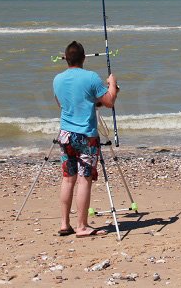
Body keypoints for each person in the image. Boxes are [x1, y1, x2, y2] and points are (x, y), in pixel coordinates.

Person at [53, 41, 118, 237]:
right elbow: (109, 101)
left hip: (65, 134)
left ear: (66, 58)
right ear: (83, 58)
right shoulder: (91, 77)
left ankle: (65, 223)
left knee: (67, 179)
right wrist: (112, 84)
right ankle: (81, 226)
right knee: (84, 179)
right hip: (85, 136)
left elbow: (62, 103)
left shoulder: (57, 79)